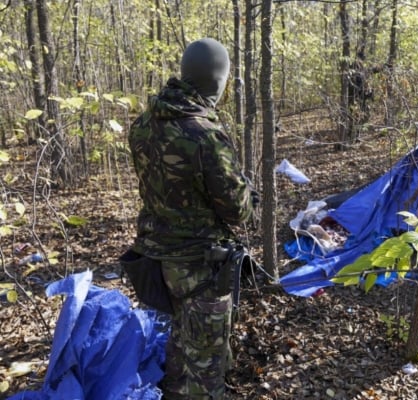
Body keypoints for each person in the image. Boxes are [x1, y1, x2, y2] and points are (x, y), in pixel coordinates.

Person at [127, 37, 258, 399]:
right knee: (205, 366)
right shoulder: (205, 136)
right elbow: (237, 210)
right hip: (200, 266)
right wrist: (249, 191)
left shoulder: (142, 125)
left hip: (156, 260)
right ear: (218, 81)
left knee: (178, 346)